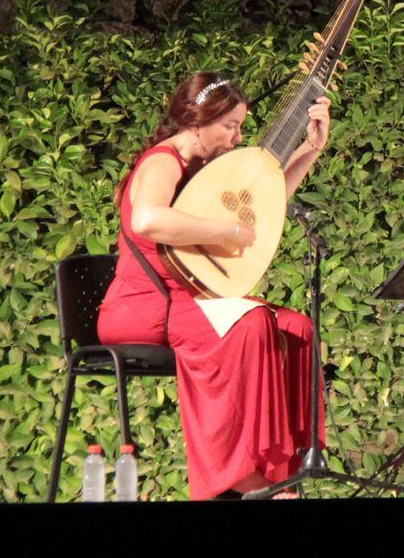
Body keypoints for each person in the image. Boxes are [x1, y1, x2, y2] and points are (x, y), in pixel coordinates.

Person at [97, 71, 332, 500]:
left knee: (296, 325)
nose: (238, 136)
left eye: (240, 125)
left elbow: (267, 199)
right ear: (196, 120)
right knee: (252, 322)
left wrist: (310, 148)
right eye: (230, 126)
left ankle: (286, 467)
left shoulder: (206, 167)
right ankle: (239, 474)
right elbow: (147, 218)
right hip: (146, 306)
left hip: (191, 299)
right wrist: (225, 231)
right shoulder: (163, 160)